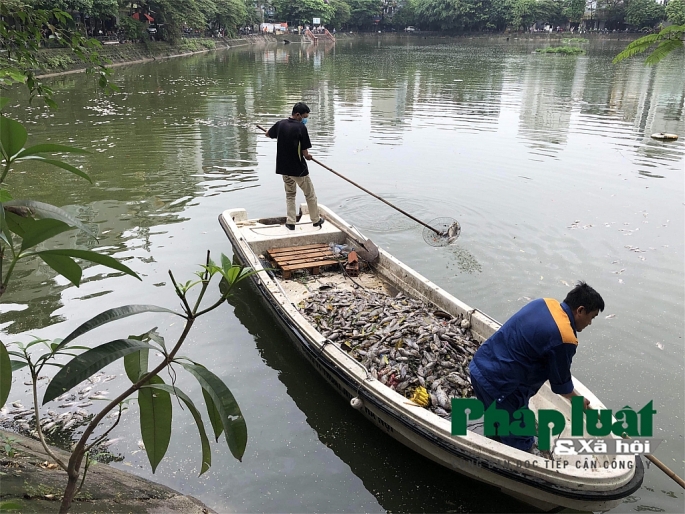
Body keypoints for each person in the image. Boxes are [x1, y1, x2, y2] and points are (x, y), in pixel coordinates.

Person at [469, 282, 604, 452]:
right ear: (580, 310)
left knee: (497, 422)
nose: (590, 323)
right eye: (591, 317)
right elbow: (561, 385)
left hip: (479, 367)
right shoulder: (565, 337)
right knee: (522, 441)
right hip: (502, 388)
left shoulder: (544, 303)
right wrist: (578, 400)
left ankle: (495, 445)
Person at [266, 102, 324, 230]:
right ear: (297, 114)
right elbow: (304, 152)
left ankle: (291, 222)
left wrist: (273, 133)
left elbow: (268, 134)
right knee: (310, 194)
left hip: (283, 168)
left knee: (290, 195)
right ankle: (316, 220)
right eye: (304, 117)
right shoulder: (300, 128)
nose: (304, 120)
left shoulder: (280, 124)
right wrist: (308, 156)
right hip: (298, 169)